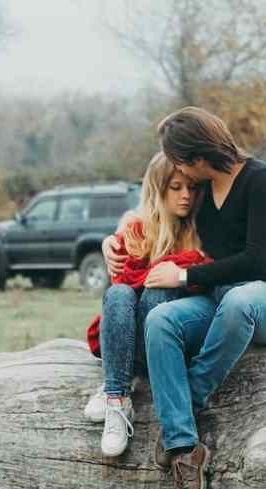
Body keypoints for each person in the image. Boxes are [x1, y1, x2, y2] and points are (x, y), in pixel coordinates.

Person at [141, 107, 266, 489]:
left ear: (197, 156)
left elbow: (255, 261)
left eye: (179, 160)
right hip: (217, 299)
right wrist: (115, 240)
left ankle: (185, 408)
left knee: (238, 300)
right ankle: (184, 448)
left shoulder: (261, 180)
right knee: (160, 320)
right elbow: (155, 209)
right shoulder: (201, 192)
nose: (178, 170)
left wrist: (181, 278)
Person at [84, 152, 206, 459]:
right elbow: (120, 278)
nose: (186, 196)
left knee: (155, 295)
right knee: (118, 294)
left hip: (168, 346)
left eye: (191, 188)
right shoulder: (136, 229)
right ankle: (117, 397)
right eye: (176, 187)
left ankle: (116, 379)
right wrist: (109, 243)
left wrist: (174, 274)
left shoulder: (200, 231)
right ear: (157, 189)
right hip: (130, 336)